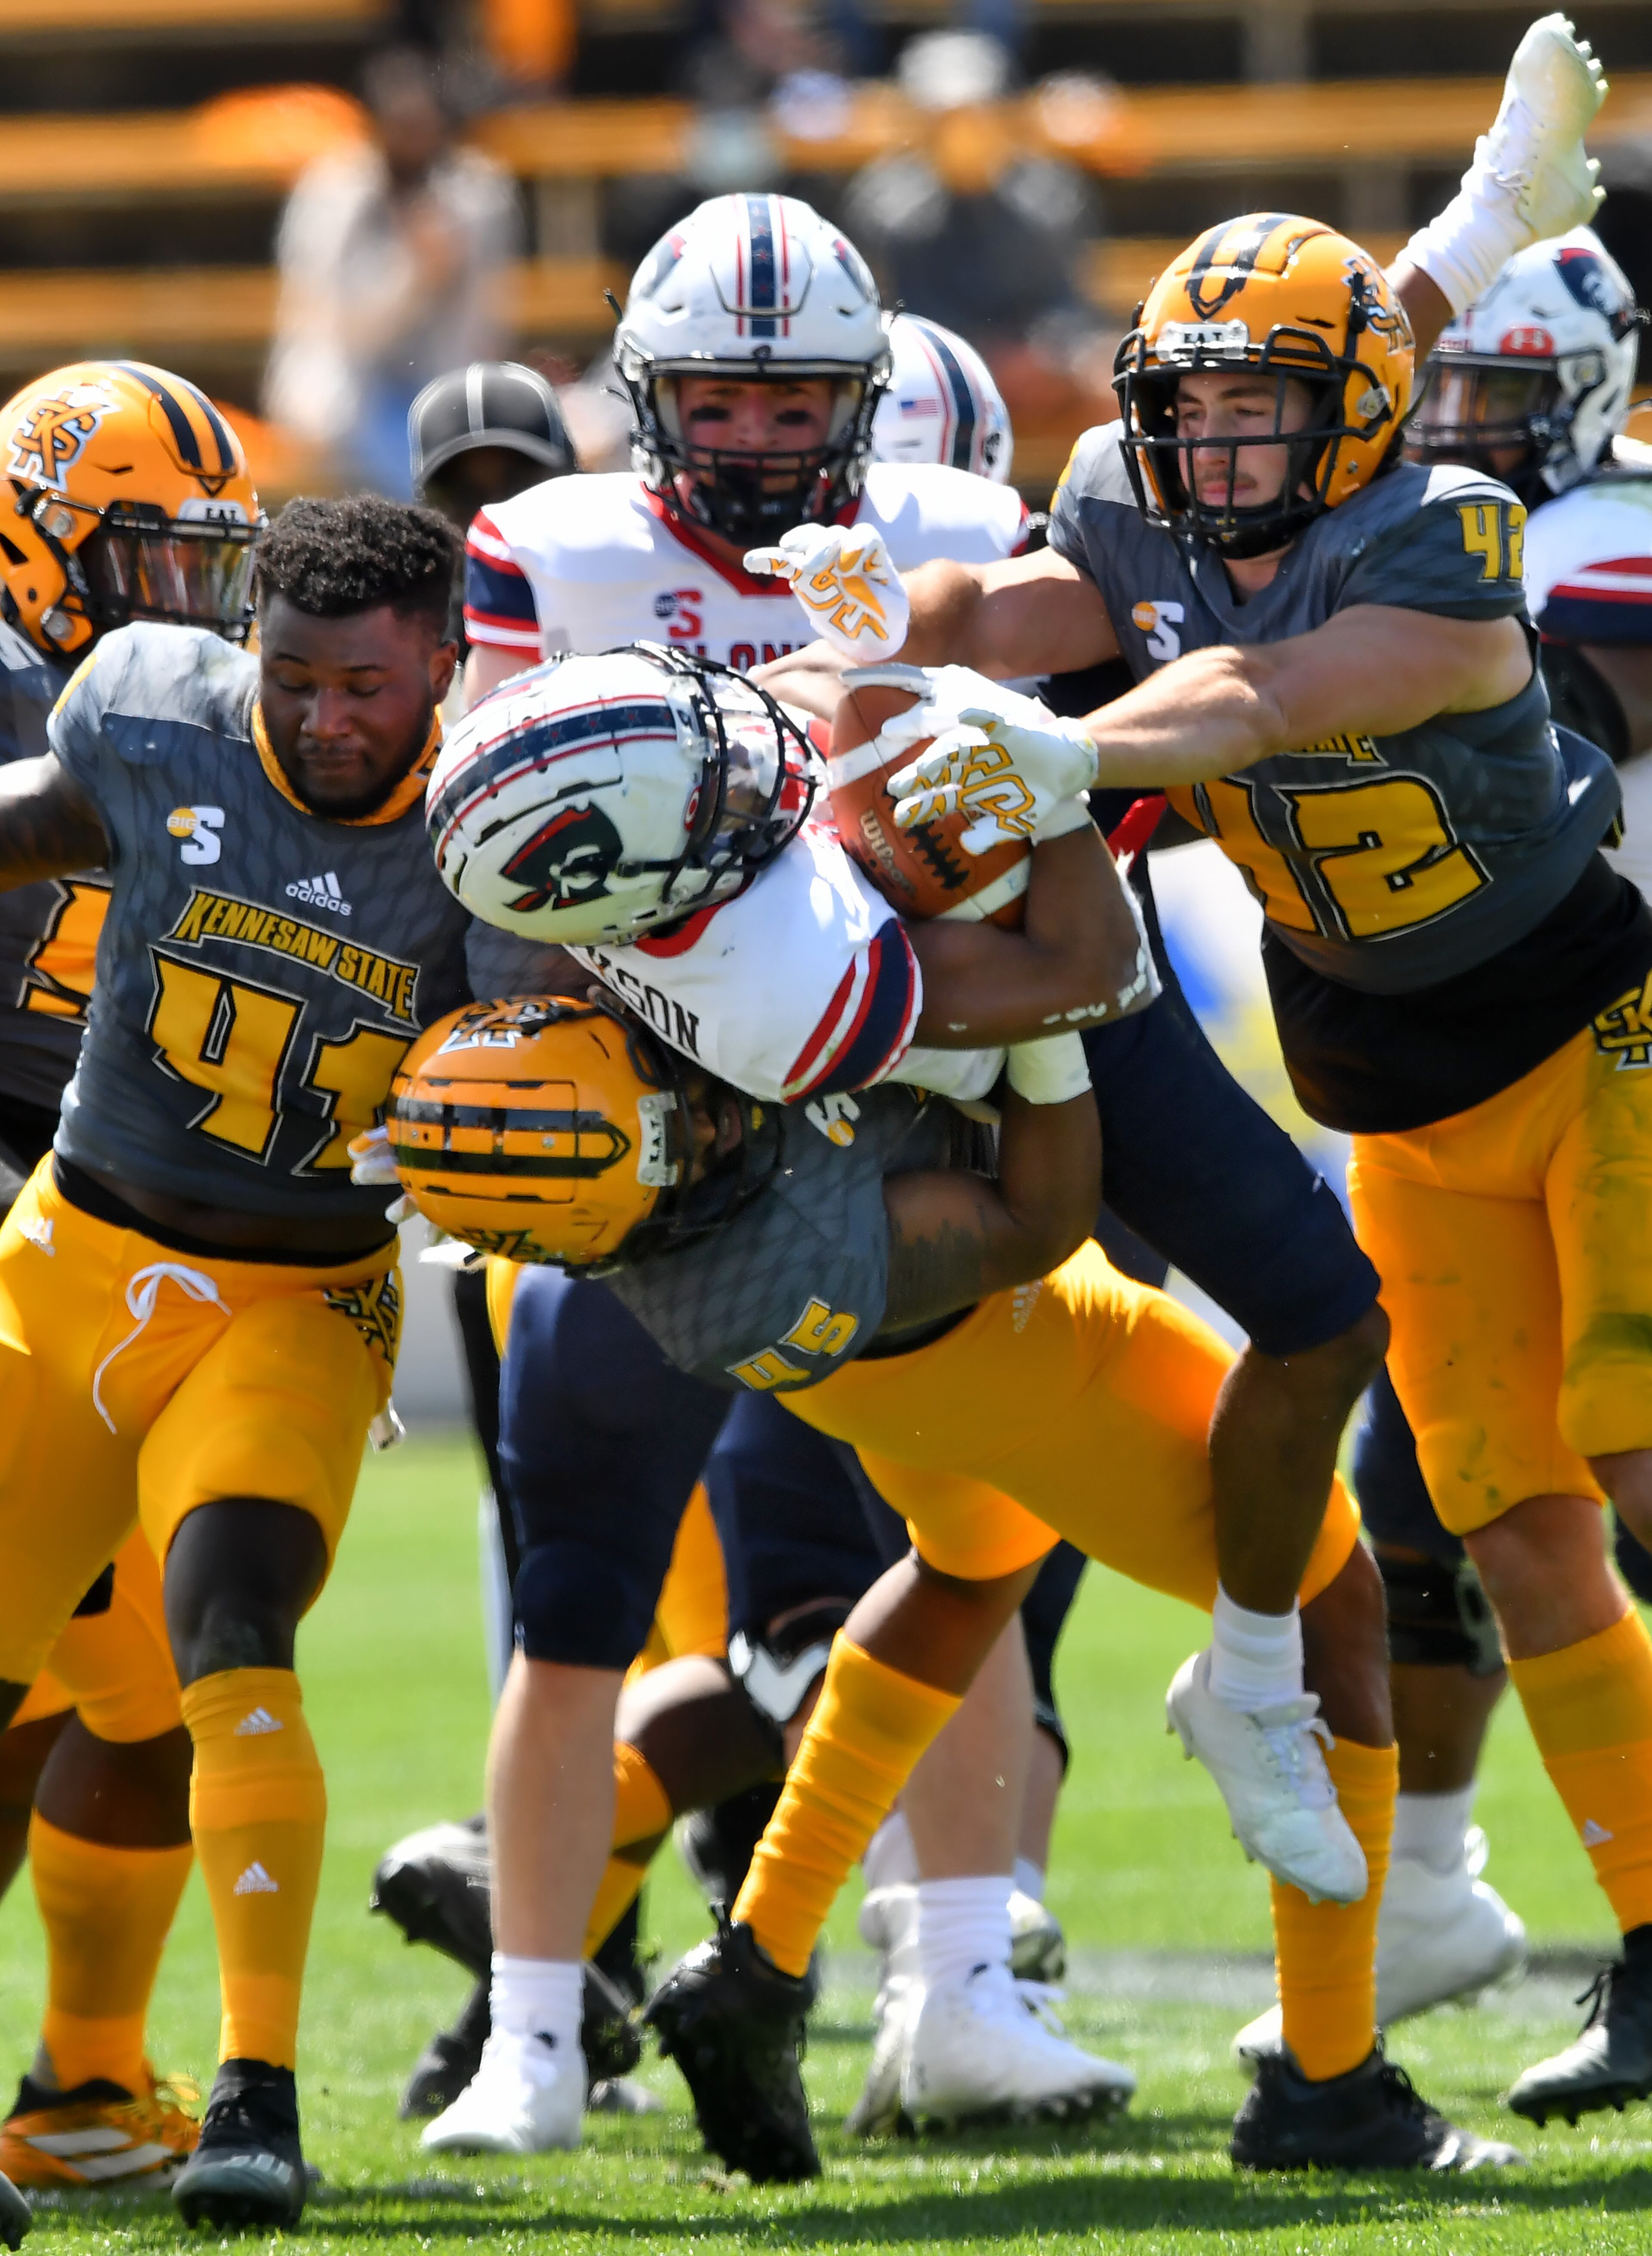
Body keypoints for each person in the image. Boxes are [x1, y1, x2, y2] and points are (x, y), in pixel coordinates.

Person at [379, 685, 1514, 2173]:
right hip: (1018, 1344)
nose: (738, 782)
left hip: (893, 1387)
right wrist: (1041, 837)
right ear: (673, 1143)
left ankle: (757, 1957)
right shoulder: (784, 1048)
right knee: (1330, 1600)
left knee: (969, 1563)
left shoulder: (605, 991)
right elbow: (1061, 1128)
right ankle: (1328, 2074)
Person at [0, 491, 555, 2229]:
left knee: (230, 1627)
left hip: (297, 1296)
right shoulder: (157, 705)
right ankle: (77, 2096)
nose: (325, 716)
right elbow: (47, 816)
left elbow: (551, 1058)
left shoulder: (494, 828)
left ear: (447, 668)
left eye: (367, 688)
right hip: (75, 1258)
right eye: (296, 678)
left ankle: (253, 2091)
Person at [1238, 223, 1652, 2055]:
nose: (1470, 427)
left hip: (1616, 1027)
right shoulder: (1326, 542)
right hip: (1417, 1079)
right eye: (1446, 391)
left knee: (1636, 1462)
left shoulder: (1581, 543)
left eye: (1500, 392)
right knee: (1511, 1512)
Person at [0, 361, 274, 2220]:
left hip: (92, 1212)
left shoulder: (196, 708)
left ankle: (89, 2082)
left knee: (147, 1678)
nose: (181, 605)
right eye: (143, 559)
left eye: (203, 567)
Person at [265, 49, 520, 498]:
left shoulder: (478, 196)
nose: (413, 140)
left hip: (442, 375)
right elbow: (342, 326)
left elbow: (485, 321)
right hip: (345, 388)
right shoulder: (331, 194)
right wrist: (412, 272)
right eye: (401, 126)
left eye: (423, 126)